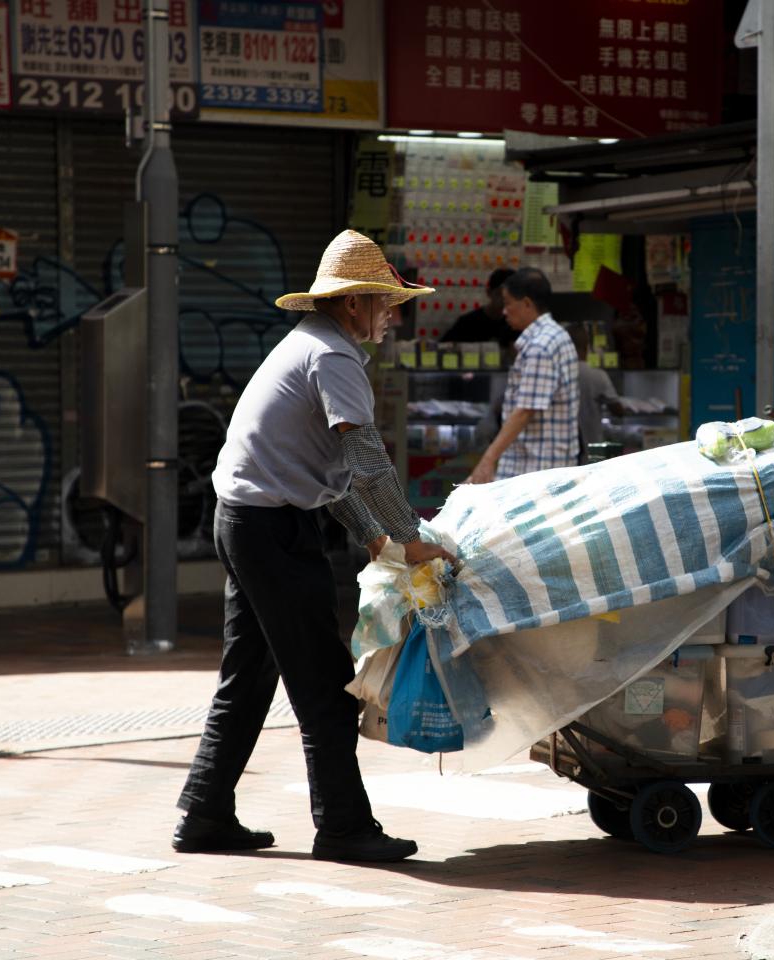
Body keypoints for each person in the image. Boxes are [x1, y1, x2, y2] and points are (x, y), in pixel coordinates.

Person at [172, 230, 455, 864]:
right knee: (325, 685)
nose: (394, 313)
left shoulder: (314, 345)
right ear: (354, 303)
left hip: (249, 521)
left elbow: (331, 471)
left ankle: (205, 814)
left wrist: (374, 534)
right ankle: (343, 827)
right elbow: (367, 459)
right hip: (269, 530)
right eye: (386, 301)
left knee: (247, 679)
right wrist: (409, 541)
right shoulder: (333, 356)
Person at [466, 267, 579, 482]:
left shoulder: (540, 347)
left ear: (527, 304)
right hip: (544, 466)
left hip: (535, 469)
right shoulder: (556, 336)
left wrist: (487, 460)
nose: (504, 311)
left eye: (508, 303)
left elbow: (525, 411)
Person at [567, 323, 619, 461]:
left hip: (565, 450)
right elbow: (617, 409)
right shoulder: (597, 375)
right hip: (593, 448)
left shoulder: (558, 374)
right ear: (587, 346)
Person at [440, 267, 516, 346]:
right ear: (489, 292)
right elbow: (442, 349)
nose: (505, 300)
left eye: (512, 295)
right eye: (500, 294)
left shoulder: (516, 325)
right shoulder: (467, 324)